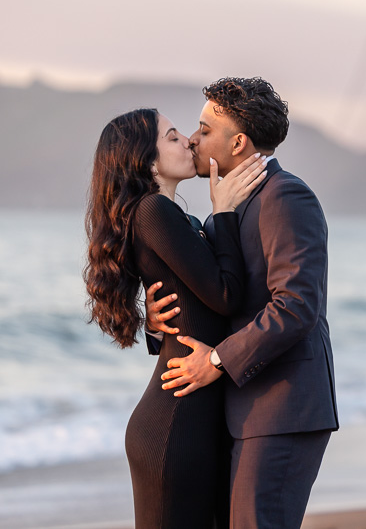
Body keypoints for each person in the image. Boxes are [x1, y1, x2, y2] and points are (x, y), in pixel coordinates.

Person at [145, 77, 339, 528]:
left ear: (238, 142)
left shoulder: (285, 196)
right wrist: (157, 321)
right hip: (242, 410)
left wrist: (214, 360)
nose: (192, 139)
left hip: (282, 409)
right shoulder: (226, 209)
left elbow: (295, 305)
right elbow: (217, 296)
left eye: (204, 130)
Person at [84, 108, 267, 528]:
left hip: (190, 420)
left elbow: (190, 301)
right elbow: (224, 295)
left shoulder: (176, 218)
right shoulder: (154, 212)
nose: (187, 140)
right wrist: (223, 212)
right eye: (171, 136)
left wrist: (153, 323)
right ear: (146, 162)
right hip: (174, 429)